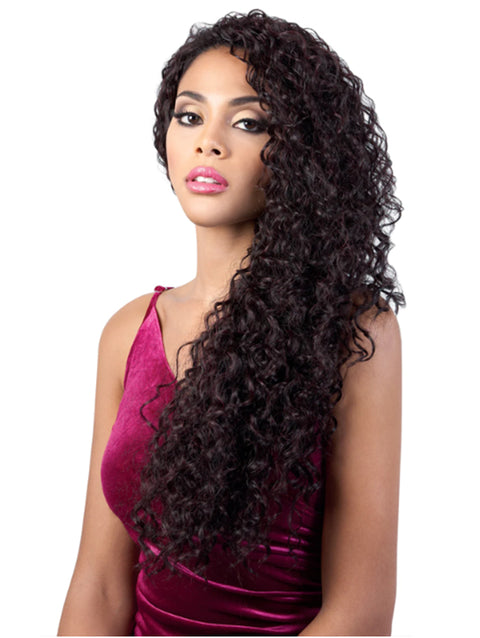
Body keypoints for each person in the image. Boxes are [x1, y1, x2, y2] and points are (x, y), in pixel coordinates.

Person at [58, 9, 404, 636]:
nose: (207, 142)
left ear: (302, 151)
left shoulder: (353, 332)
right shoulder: (128, 331)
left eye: (248, 122)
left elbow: (361, 614)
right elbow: (100, 584)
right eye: (190, 116)